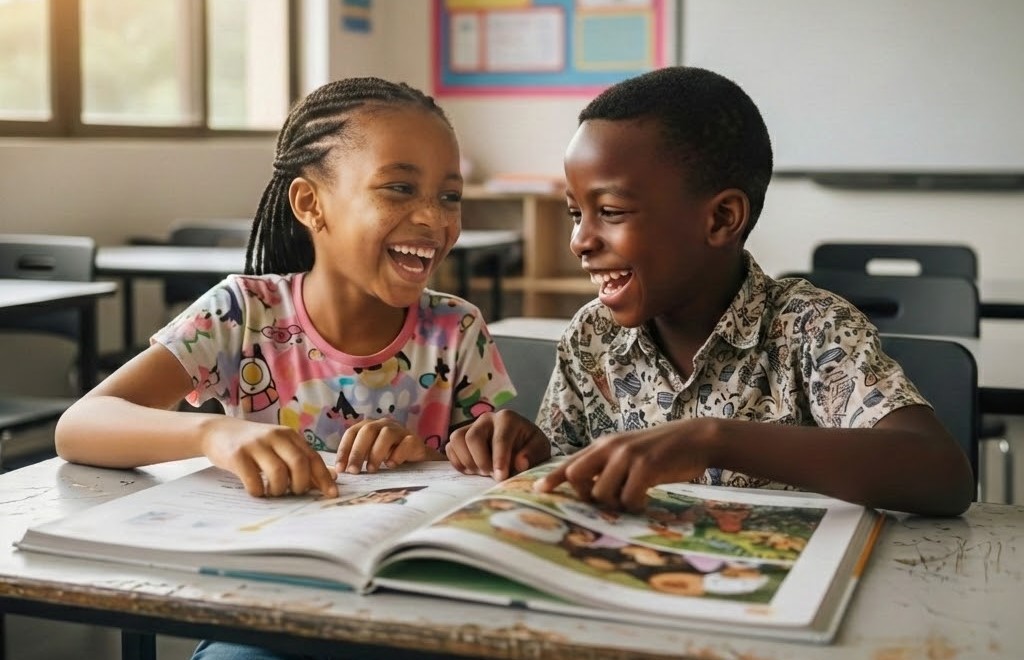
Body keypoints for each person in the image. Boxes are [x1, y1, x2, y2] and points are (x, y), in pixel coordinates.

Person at [55, 76, 548, 660]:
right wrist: (216, 432)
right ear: (310, 204)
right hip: (269, 611)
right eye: (398, 189)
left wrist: (475, 445)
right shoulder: (242, 314)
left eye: (449, 196)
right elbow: (82, 424)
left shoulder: (456, 330)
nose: (433, 220)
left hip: (420, 612)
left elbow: (493, 468)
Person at [455, 66, 974, 518]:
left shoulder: (809, 328)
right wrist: (530, 450)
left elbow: (941, 476)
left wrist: (713, 439)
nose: (580, 240)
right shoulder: (593, 337)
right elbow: (565, 475)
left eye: (610, 212)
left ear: (722, 218)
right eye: (576, 213)